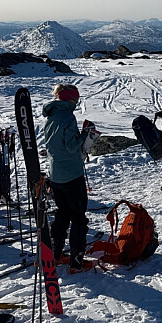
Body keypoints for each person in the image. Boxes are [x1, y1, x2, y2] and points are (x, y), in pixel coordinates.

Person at [42, 84, 91, 271]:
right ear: (71, 99)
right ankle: (77, 261)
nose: (76, 103)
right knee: (78, 217)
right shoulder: (68, 117)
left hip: (56, 174)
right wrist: (85, 135)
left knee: (62, 213)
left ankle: (55, 254)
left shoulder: (51, 116)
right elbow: (71, 146)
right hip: (72, 174)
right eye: (76, 100)